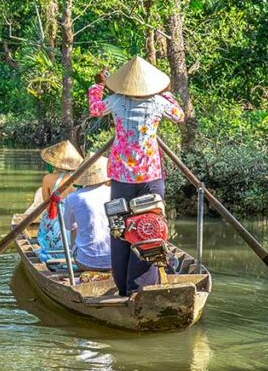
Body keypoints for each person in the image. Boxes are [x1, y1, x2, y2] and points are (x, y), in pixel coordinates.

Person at [88, 56, 184, 296]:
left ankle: (123, 287)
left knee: (120, 230)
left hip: (121, 177)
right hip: (150, 178)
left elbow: (95, 108)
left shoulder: (116, 101)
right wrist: (168, 92)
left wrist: (98, 85)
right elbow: (179, 115)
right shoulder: (159, 103)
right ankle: (140, 288)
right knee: (148, 229)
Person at [32, 139, 83, 263]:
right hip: (77, 217)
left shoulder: (48, 178)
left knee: (47, 220)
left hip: (57, 217)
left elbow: (46, 204)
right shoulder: (81, 177)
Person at [61, 155, 112, 272]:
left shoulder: (73, 197)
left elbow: (69, 226)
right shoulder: (115, 192)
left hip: (86, 262)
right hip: (117, 260)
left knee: (74, 229)